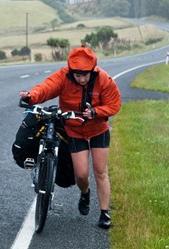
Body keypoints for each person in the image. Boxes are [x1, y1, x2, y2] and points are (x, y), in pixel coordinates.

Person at [19, 45, 121, 229]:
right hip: (74, 130)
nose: (81, 79)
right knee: (81, 175)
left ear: (92, 70)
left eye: (85, 75)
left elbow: (114, 104)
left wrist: (97, 112)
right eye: (77, 75)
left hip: (98, 129)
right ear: (71, 71)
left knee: (100, 170)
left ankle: (105, 213)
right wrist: (31, 96)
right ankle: (85, 192)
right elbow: (47, 87)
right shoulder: (64, 76)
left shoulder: (103, 79)